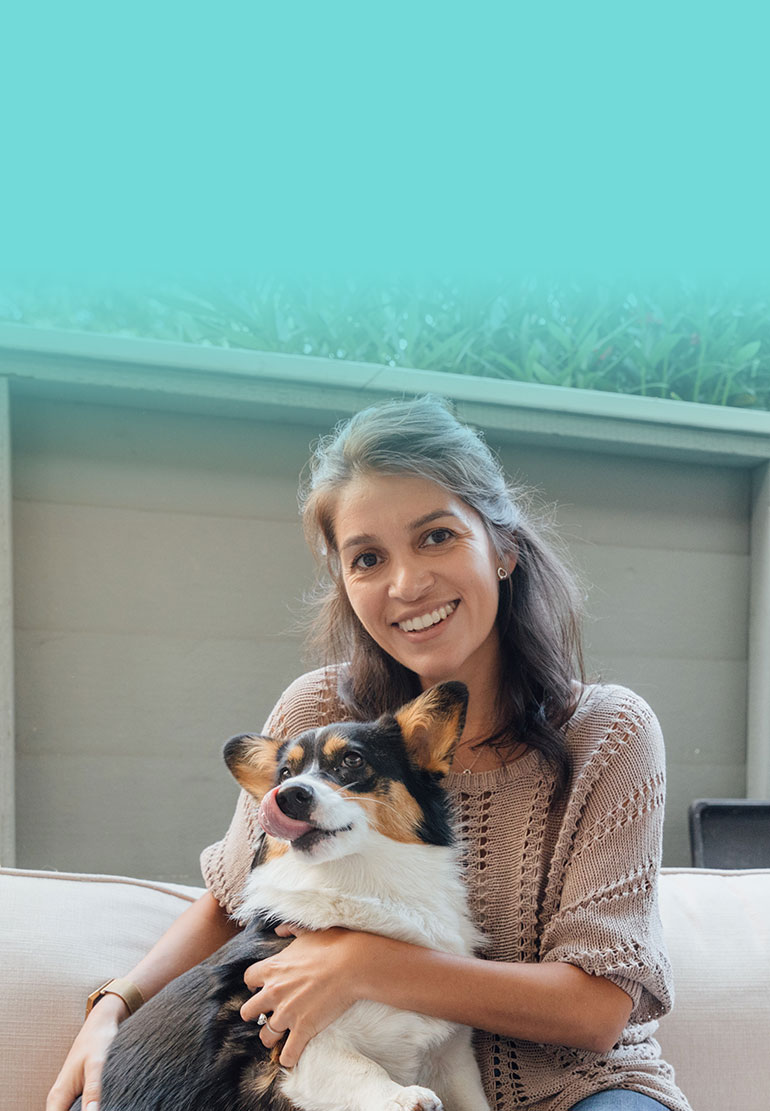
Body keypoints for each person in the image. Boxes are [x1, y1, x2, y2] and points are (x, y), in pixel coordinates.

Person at [48, 395, 692, 1111]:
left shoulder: (609, 733)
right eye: (367, 557)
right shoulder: (314, 715)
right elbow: (231, 905)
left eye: (438, 536)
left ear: (504, 546)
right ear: (345, 583)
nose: (407, 584)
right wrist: (115, 1004)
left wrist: (369, 963)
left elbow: (596, 1010)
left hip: (578, 1091)